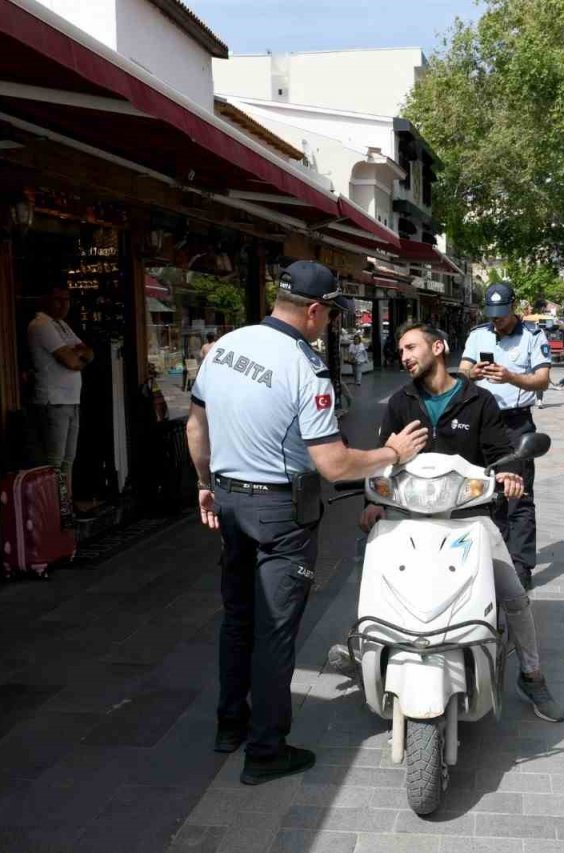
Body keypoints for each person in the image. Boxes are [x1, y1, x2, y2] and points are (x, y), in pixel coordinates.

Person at [186, 261, 427, 785]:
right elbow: (334, 465)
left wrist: (205, 483)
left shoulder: (224, 348)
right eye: (332, 315)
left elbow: (195, 428)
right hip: (279, 512)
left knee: (238, 617)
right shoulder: (305, 367)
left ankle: (230, 725)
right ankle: (265, 750)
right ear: (314, 310)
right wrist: (391, 453)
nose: (331, 325)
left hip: (229, 501)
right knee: (274, 631)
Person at [360, 322, 564, 722]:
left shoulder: (478, 400)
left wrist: (509, 473)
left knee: (514, 594)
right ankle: (361, 649)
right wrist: (372, 501)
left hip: (468, 518)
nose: (404, 356)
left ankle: (531, 673)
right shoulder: (400, 402)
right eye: (401, 351)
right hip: (408, 517)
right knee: (371, 573)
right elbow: (383, 457)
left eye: (411, 347)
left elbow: (500, 452)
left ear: (438, 347)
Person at [459, 282, 552, 590]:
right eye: (492, 314)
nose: (496, 319)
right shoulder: (478, 335)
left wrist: (511, 377)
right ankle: (493, 560)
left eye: (501, 313)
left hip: (515, 423)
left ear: (514, 307)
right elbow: (462, 371)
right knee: (485, 493)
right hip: (482, 422)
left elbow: (542, 380)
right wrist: (473, 373)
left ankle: (521, 566)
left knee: (519, 496)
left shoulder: (533, 337)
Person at [27, 286, 93, 496]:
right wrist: (77, 356)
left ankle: (65, 505)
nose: (64, 304)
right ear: (46, 299)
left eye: (67, 299)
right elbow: (72, 361)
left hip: (71, 400)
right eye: (58, 299)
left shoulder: (62, 325)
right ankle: (54, 506)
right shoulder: (41, 325)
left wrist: (79, 355)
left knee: (68, 459)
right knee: (54, 462)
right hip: (53, 401)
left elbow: (89, 353)